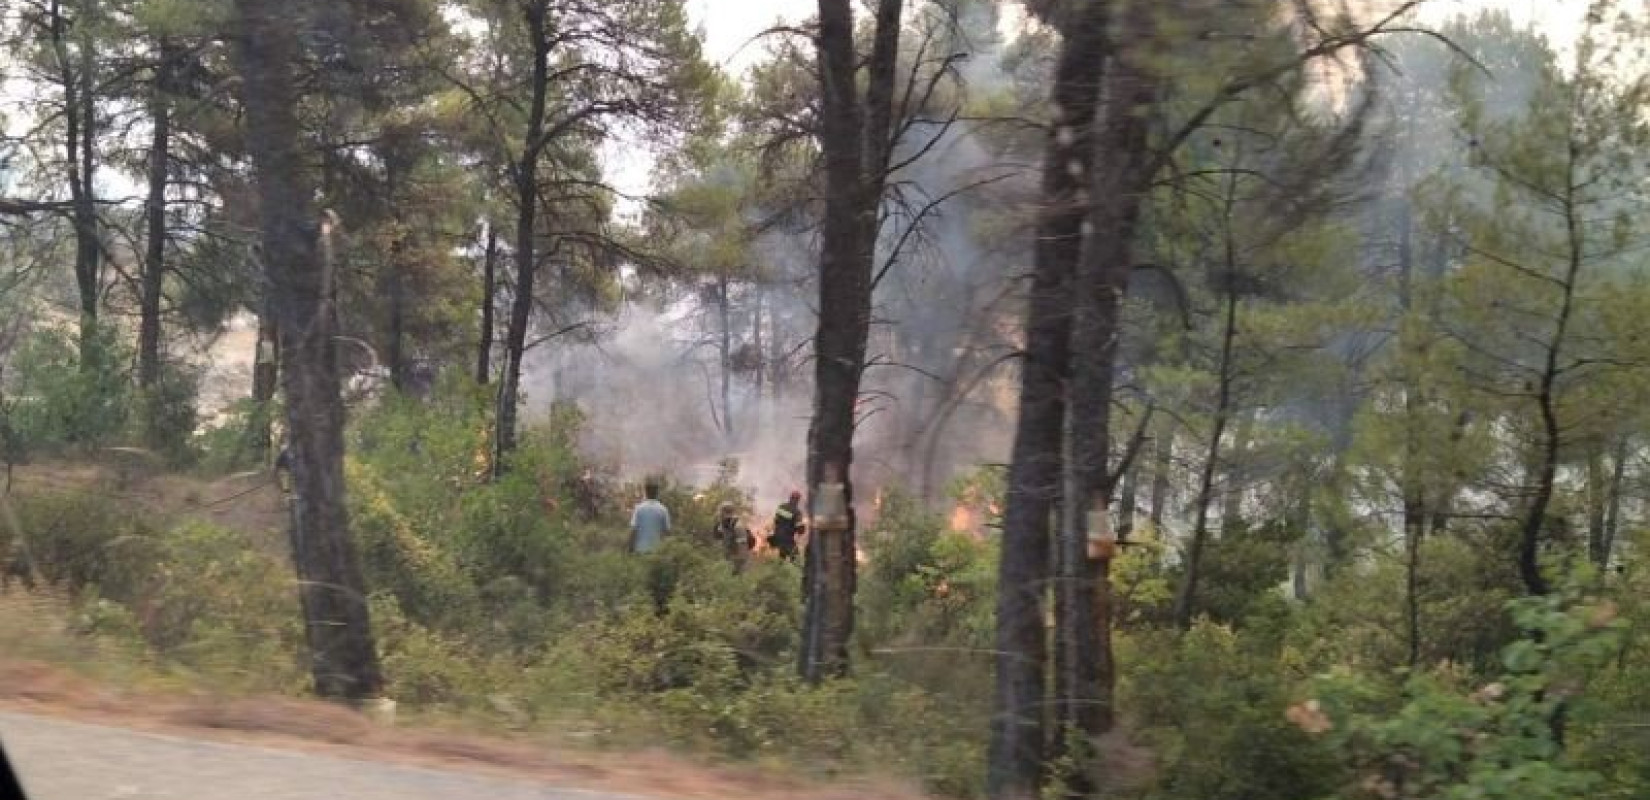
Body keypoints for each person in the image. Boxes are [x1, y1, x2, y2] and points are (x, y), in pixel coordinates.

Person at [629, 480, 671, 554]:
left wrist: (630, 548)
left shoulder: (639, 508)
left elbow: (633, 530)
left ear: (646, 492)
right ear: (657, 493)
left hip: (640, 550)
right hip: (657, 552)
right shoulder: (663, 509)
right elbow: (667, 532)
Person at [714, 502, 755, 574]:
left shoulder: (738, 526)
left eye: (720, 512)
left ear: (724, 513)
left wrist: (736, 567)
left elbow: (743, 550)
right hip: (729, 558)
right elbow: (720, 541)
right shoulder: (723, 525)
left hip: (738, 562)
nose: (719, 515)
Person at [768, 489, 805, 563]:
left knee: (782, 555)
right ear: (797, 500)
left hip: (777, 535)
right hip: (787, 538)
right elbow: (799, 528)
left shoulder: (781, 507)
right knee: (795, 556)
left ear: (790, 498)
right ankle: (791, 572)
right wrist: (802, 529)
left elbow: (776, 520)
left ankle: (780, 570)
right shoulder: (797, 512)